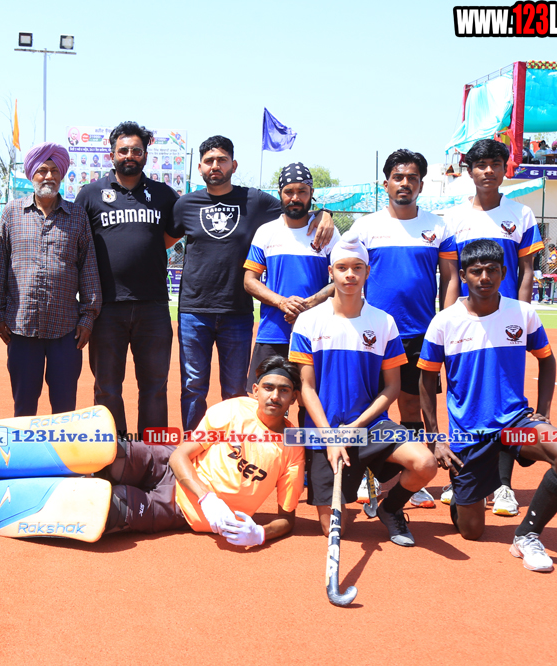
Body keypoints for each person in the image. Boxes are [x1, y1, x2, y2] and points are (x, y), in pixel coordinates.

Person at [419, 239, 557, 572]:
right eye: (476, 271)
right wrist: (434, 438)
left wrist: (544, 411)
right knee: (472, 532)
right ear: (463, 275)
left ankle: (527, 535)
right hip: (469, 434)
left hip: (514, 426)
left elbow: (547, 360)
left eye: (492, 270)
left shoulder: (523, 313)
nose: (485, 277)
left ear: (504, 273)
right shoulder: (444, 322)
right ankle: (463, 496)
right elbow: (426, 381)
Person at [170, 136, 334, 432]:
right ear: (200, 167)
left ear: (233, 165)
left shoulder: (255, 201)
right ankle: (195, 447)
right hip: (194, 310)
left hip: (237, 312)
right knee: (193, 386)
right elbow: (163, 240)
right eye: (209, 161)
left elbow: (294, 206)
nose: (215, 165)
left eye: (222, 160)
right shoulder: (185, 204)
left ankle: (235, 448)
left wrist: (325, 213)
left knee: (236, 390)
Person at [290, 237, 437, 546]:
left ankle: (390, 508)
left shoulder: (383, 322)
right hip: (323, 432)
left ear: (368, 272)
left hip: (369, 427)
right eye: (342, 268)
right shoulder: (308, 321)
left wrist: (355, 427)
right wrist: (331, 437)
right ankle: (355, 481)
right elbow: (307, 387)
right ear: (331, 272)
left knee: (425, 463)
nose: (350, 275)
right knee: (335, 529)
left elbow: (393, 387)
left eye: (357, 268)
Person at [342, 149, 459, 509]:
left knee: (412, 404)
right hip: (372, 335)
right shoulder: (366, 227)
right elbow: (345, 268)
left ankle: (410, 476)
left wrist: (445, 323)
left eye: (412, 178)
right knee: (367, 405)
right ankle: (367, 476)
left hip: (420, 333)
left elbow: (451, 278)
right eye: (398, 177)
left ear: (421, 184)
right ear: (386, 183)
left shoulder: (438, 227)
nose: (404, 183)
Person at [99, 356, 304, 546]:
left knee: (108, 508)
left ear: (294, 397)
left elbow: (286, 518)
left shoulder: (293, 448)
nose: (275, 396)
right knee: (110, 452)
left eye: (284, 390)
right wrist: (207, 498)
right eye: (268, 388)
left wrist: (259, 533)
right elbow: (179, 455)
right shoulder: (233, 409)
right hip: (167, 467)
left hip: (179, 510)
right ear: (256, 390)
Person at [441, 138, 544, 512]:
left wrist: (521, 316)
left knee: (505, 400)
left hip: (507, 324)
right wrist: (449, 321)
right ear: (469, 171)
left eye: (495, 164)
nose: (488, 171)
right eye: (481, 165)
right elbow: (450, 276)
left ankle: (502, 486)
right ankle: (462, 477)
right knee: (462, 395)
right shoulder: (452, 218)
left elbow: (527, 271)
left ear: (504, 170)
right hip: (464, 323)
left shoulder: (521, 214)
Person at [75, 121, 179, 438]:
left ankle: (153, 455)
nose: (130, 155)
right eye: (123, 150)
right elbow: (77, 243)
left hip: (153, 307)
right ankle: (115, 453)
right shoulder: (90, 194)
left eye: (136, 150)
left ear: (145, 154)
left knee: (155, 387)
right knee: (106, 388)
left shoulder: (163, 195)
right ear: (112, 155)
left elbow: (169, 237)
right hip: (107, 308)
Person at [0, 142, 101, 417]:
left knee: (64, 409)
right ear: (31, 175)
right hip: (21, 327)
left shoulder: (77, 216)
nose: (49, 176)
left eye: (54, 170)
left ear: (62, 175)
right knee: (24, 408)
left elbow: (88, 268)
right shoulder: (12, 213)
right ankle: (25, 447)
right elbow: (1, 265)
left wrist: (88, 317)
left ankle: (61, 448)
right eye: (42, 170)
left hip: (66, 330)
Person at [243, 163, 339, 398]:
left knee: (311, 402)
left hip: (317, 334)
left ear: (311, 193)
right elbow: (249, 280)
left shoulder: (328, 232)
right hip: (273, 333)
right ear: (280, 194)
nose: (295, 198)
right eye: (289, 191)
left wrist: (309, 304)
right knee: (267, 403)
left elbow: (342, 279)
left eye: (302, 191)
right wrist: (282, 302)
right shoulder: (266, 231)